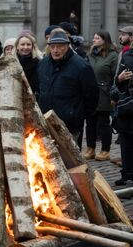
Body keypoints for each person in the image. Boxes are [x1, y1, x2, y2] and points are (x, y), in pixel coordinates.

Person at [37, 29, 99, 148]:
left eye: (60, 46)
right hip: (46, 122)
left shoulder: (81, 66)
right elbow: (39, 88)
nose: (56, 50)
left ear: (67, 46)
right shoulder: (43, 64)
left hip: (70, 123)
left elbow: (91, 94)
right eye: (53, 46)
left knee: (71, 161)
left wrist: (78, 114)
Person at [83, 31, 119, 162]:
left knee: (103, 123)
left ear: (104, 40)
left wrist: (114, 95)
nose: (94, 40)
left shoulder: (113, 56)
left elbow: (116, 77)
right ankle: (90, 148)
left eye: (97, 38)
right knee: (90, 123)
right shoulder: (91, 54)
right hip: (90, 93)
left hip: (105, 93)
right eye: (94, 38)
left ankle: (105, 150)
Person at [112, 42, 133, 185]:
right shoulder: (127, 56)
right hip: (128, 106)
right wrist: (119, 79)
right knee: (126, 143)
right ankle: (126, 173)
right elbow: (117, 82)